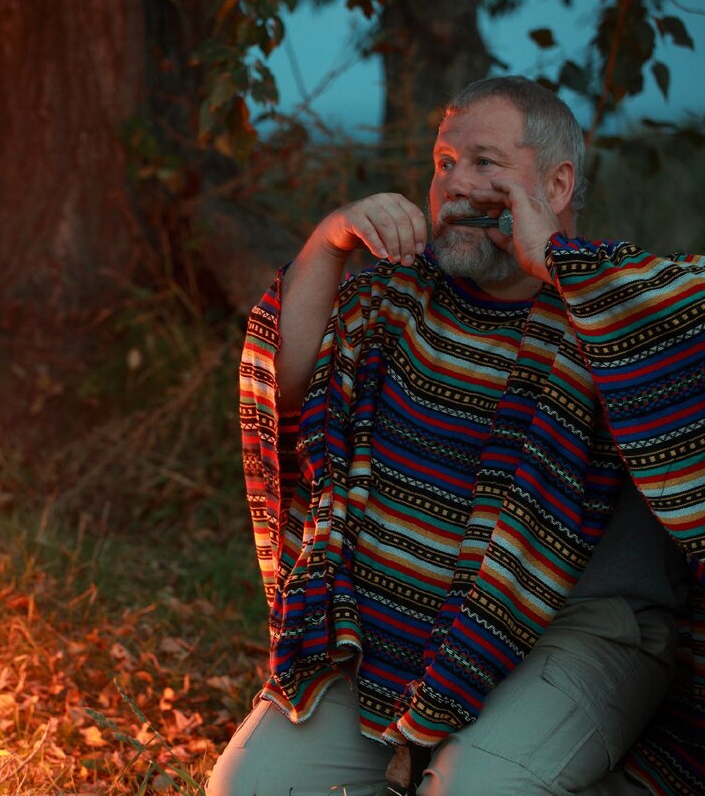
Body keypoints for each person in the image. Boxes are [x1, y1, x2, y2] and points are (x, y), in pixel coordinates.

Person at [212, 75, 705, 796]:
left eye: (485, 163)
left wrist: (559, 262)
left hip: (582, 632)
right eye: (444, 163)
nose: (457, 186)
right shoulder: (396, 295)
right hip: (393, 630)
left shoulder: (618, 304)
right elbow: (278, 386)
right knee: (248, 788)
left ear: (558, 184)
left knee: (474, 788)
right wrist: (330, 239)